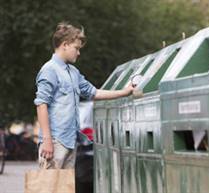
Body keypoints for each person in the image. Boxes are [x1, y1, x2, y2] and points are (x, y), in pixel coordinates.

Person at [34, 22, 134, 169]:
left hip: (70, 141)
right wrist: (47, 140)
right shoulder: (49, 70)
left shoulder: (74, 72)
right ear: (65, 45)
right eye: (76, 48)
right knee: (49, 188)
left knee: (65, 189)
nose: (79, 53)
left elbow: (94, 92)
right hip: (55, 142)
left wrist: (125, 92)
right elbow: (41, 104)